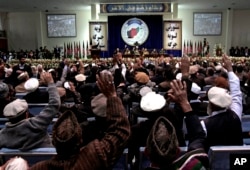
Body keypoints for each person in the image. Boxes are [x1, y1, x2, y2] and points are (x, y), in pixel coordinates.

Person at [30, 71, 130, 170]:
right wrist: (112, 96)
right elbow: (120, 132)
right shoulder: (94, 158)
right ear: (80, 139)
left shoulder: (41, 167)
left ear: (53, 142)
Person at [143, 79, 209, 169]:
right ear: (178, 151)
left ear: (146, 152)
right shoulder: (193, 165)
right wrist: (184, 103)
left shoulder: (137, 130)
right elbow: (197, 136)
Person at [0, 72, 60, 151]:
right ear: (27, 114)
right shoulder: (36, 124)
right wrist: (51, 83)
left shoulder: (2, 135)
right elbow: (54, 104)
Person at [200, 54, 243, 152]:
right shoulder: (235, 114)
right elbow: (236, 93)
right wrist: (230, 70)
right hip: (239, 162)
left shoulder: (204, 125)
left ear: (210, 103)